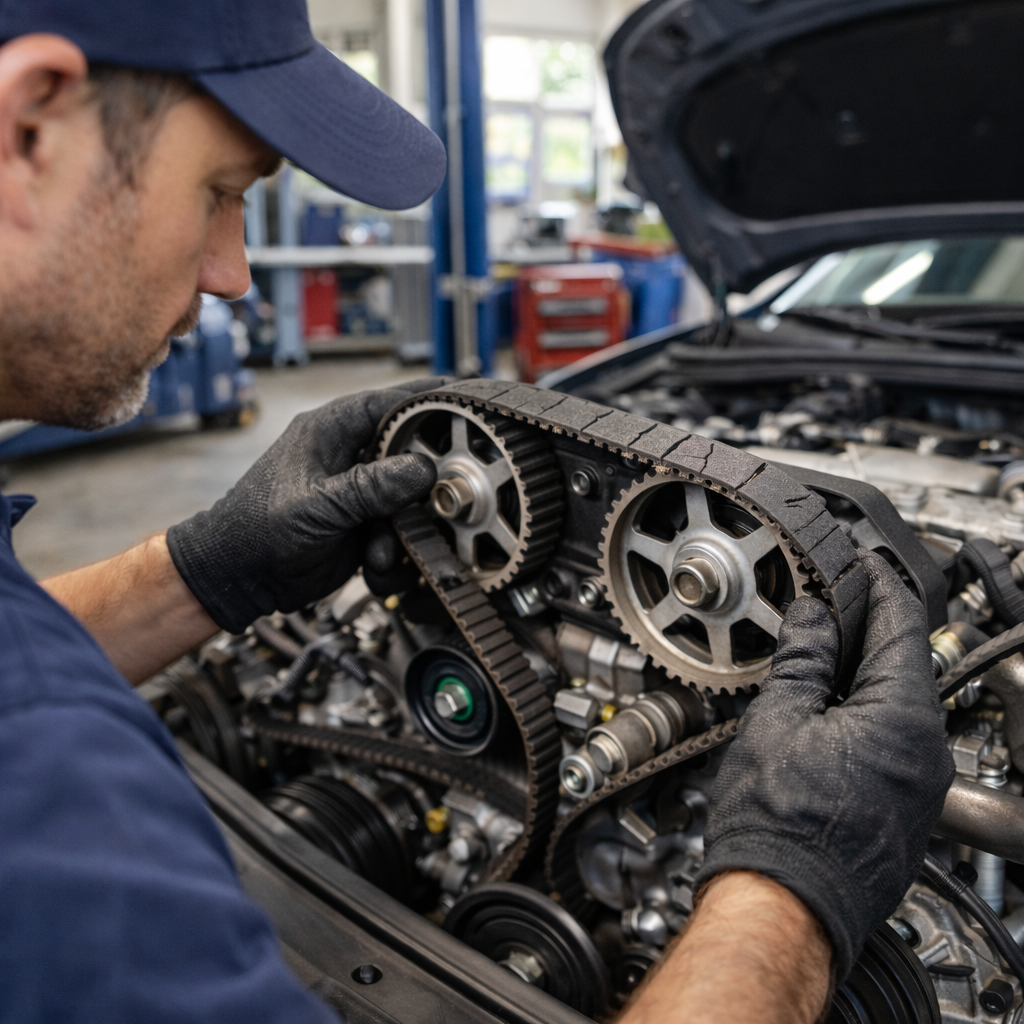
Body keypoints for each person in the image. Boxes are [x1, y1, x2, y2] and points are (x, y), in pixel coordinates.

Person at [0, 1, 954, 1022]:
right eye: (220, 191)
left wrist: (196, 573)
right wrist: (790, 894)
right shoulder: (48, 792)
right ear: (30, 125)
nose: (233, 275)